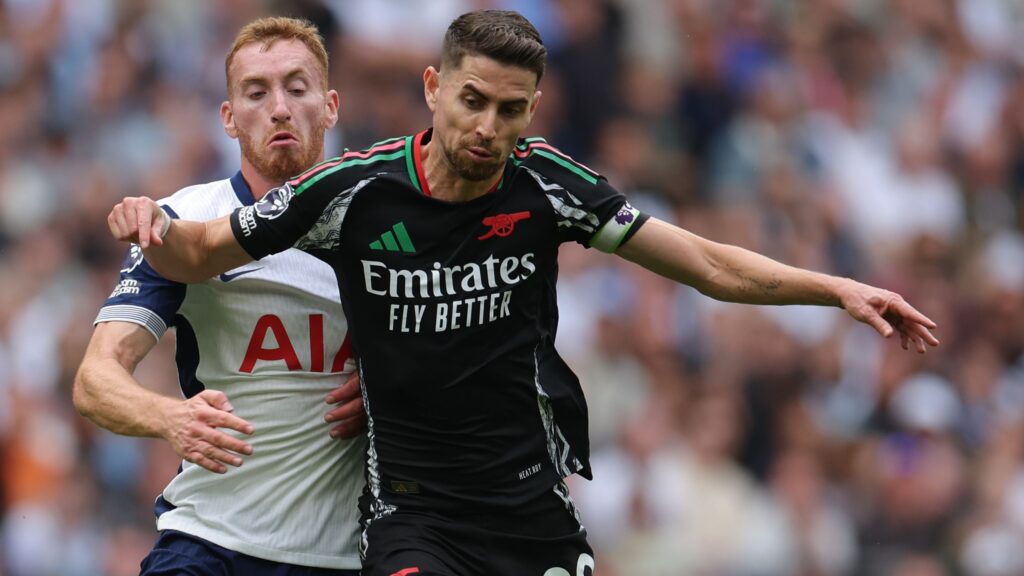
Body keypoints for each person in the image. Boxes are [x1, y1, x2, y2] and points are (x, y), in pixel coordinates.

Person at [106, 10, 940, 576]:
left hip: (528, 501)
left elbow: (708, 265)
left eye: (510, 110)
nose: (487, 128)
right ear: (433, 88)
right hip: (411, 512)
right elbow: (202, 247)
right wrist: (153, 223)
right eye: (471, 101)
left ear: (532, 111)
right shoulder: (354, 192)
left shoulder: (548, 184)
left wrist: (835, 288)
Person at [75, 17, 367, 576]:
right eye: (256, 93)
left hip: (339, 557)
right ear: (229, 119)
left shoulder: (381, 226)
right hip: (209, 545)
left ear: (330, 106)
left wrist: (387, 388)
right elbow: (95, 379)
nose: (279, 108)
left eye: (296, 88)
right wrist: (170, 417)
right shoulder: (183, 221)